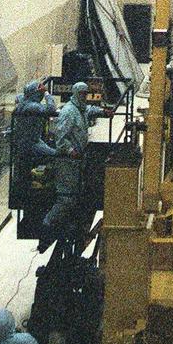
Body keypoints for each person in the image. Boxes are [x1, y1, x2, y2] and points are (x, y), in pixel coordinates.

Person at [38, 81, 109, 252]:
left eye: (87, 93)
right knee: (66, 198)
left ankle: (67, 225)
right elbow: (60, 137)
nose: (85, 96)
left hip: (76, 161)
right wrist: (70, 151)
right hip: (67, 162)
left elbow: (89, 110)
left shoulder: (80, 109)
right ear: (77, 94)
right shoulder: (69, 112)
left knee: (75, 196)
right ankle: (46, 230)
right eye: (83, 94)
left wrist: (103, 112)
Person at [11, 80, 58, 181]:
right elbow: (51, 109)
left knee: (22, 171)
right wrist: (46, 93)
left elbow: (20, 95)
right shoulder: (32, 107)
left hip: (30, 140)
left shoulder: (23, 101)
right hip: (30, 143)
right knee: (56, 154)